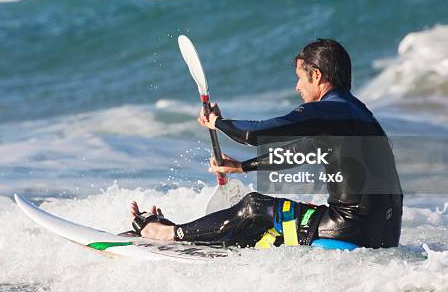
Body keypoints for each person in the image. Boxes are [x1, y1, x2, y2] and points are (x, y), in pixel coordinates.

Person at [130, 39, 402, 249]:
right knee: (270, 221)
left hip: (349, 228)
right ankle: (211, 239)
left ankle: (167, 233)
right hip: (386, 233)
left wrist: (218, 122)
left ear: (316, 75)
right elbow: (301, 153)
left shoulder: (326, 110)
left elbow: (256, 134)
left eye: (299, 77)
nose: (298, 86)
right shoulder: (358, 113)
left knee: (254, 206)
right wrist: (242, 167)